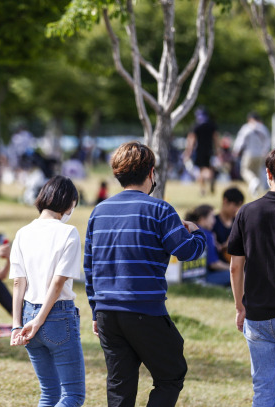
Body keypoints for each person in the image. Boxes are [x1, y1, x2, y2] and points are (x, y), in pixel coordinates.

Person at [85, 141, 206, 407]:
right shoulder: (160, 210)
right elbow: (187, 252)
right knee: (171, 374)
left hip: (107, 313)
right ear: (152, 173)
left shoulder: (98, 211)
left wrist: (96, 310)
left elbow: (89, 266)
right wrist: (197, 232)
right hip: (144, 310)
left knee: (120, 386)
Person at [229, 145, 275, 407]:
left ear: (268, 173)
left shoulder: (246, 213)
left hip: (257, 315)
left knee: (263, 389)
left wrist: (240, 306)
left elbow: (235, 267)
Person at [9, 175, 85, 407]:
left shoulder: (22, 233)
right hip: (57, 317)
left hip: (27, 317)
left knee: (49, 394)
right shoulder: (68, 233)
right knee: (72, 396)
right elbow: (58, 283)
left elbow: (18, 283)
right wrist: (40, 320)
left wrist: (17, 324)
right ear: (68, 203)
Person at [185, 204, 230, 287]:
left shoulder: (188, 230)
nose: (214, 221)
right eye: (212, 217)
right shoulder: (207, 235)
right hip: (204, 278)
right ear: (202, 219)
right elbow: (213, 264)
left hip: (186, 277)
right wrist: (232, 268)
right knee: (237, 275)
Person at [232, 112, 271, 198]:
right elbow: (268, 141)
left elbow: (240, 140)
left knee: (245, 171)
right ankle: (255, 193)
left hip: (249, 154)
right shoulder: (263, 128)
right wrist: (265, 151)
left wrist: (236, 151)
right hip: (261, 155)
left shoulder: (247, 127)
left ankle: (253, 181)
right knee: (257, 172)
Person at [183, 107, 219, 196]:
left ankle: (203, 189)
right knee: (209, 169)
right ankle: (211, 178)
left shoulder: (196, 126)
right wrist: (218, 150)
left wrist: (188, 152)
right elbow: (216, 139)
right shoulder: (211, 125)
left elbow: (191, 141)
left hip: (199, 152)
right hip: (210, 151)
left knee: (201, 171)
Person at [212, 186, 244, 262]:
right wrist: (224, 245)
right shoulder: (212, 222)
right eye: (235, 205)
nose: (237, 209)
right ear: (225, 201)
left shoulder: (239, 223)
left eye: (239, 206)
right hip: (219, 266)